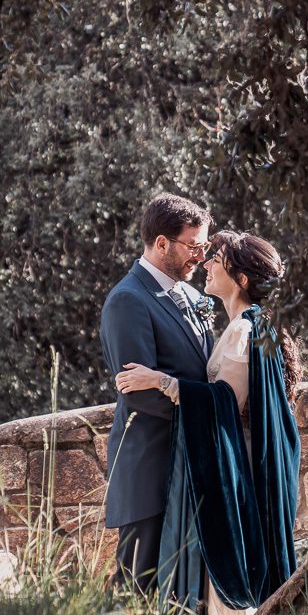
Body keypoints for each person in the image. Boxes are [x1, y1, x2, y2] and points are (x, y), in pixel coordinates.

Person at [115, 230, 302, 615]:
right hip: (235, 460)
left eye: (216, 259)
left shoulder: (246, 329)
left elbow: (224, 404)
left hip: (234, 467)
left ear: (242, 279)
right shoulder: (251, 326)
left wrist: (161, 381)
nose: (207, 264)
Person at [99, 193, 213, 594]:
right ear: (162, 243)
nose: (200, 256)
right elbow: (139, 394)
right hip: (150, 464)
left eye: (205, 247)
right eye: (193, 246)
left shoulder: (198, 298)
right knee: (138, 583)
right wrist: (207, 414)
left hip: (193, 464)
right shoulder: (127, 301)